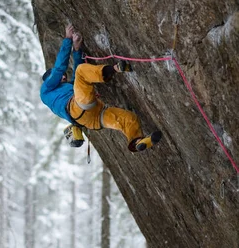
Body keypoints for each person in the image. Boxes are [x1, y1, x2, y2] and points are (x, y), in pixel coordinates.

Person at [40, 24, 162, 152]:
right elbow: (61, 68)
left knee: (128, 118)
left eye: (64, 76)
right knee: (81, 72)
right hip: (76, 107)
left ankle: (137, 141)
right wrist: (67, 39)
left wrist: (77, 49)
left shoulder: (67, 87)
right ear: (50, 79)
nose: (64, 78)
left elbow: (79, 75)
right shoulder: (46, 89)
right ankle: (114, 69)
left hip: (92, 118)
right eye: (61, 77)